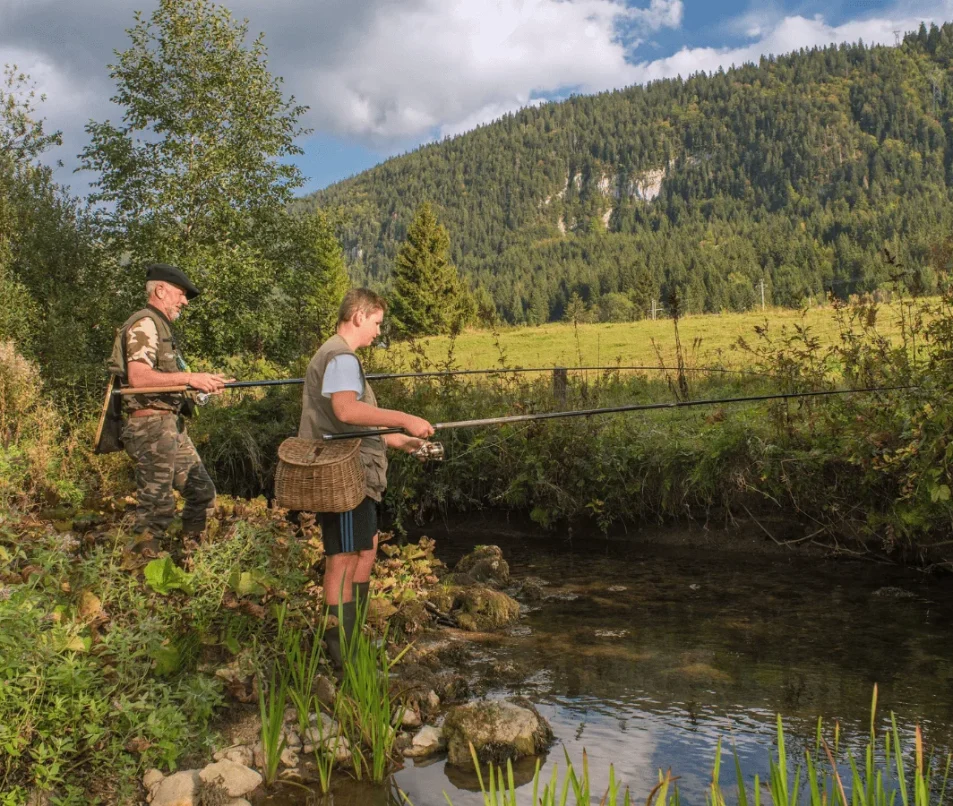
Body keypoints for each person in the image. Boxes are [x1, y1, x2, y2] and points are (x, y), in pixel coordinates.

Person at [299, 288, 434, 667]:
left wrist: (401, 440)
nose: (378, 332)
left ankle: (351, 636)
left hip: (357, 475)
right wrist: (403, 416)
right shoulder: (341, 356)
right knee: (342, 557)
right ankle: (340, 652)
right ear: (359, 315)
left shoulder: (341, 357)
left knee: (367, 548)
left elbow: (356, 422)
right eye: (377, 323)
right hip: (343, 476)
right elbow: (345, 411)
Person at [108, 263, 232, 561]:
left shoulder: (159, 327)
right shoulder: (144, 324)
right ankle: (141, 581)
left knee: (201, 492)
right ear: (160, 290)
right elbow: (139, 377)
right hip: (150, 428)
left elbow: (165, 378)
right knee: (156, 509)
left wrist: (202, 383)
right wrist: (190, 378)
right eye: (181, 293)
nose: (185, 301)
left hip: (169, 426)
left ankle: (191, 560)